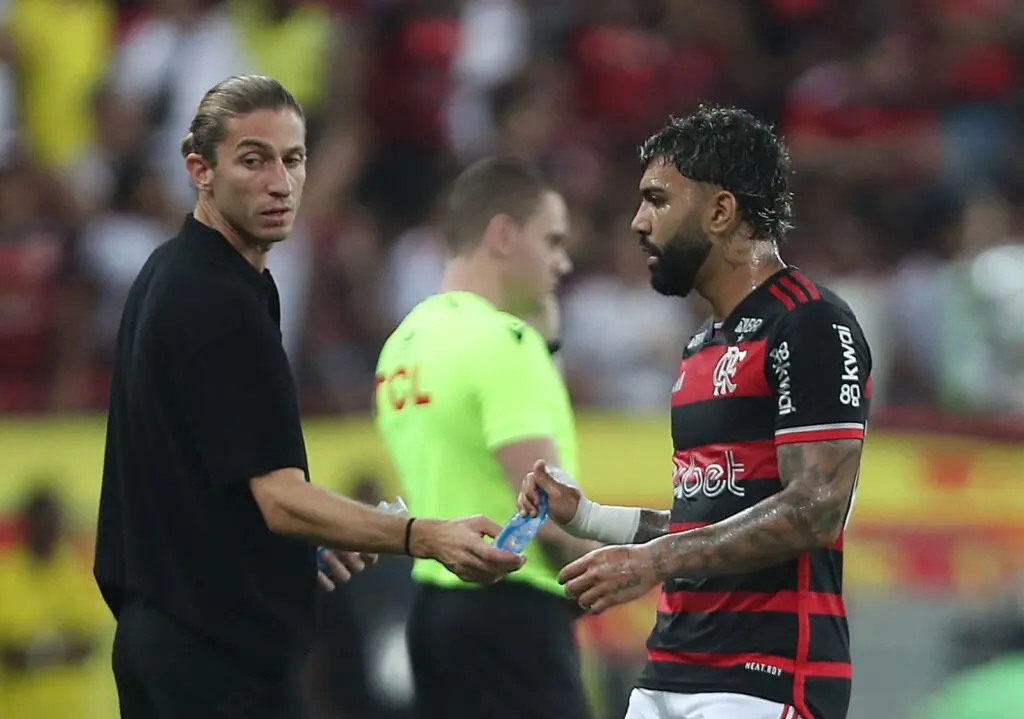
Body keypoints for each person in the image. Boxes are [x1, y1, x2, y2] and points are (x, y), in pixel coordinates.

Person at [92, 75, 525, 719]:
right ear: (199, 170)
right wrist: (424, 536)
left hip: (173, 638)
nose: (279, 182)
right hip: (210, 658)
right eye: (252, 159)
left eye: (292, 160)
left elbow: (213, 491)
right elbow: (279, 499)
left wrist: (285, 559)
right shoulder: (218, 301)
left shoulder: (175, 273)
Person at [518, 105, 872, 719]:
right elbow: (704, 522)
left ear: (719, 210)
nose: (637, 221)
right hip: (670, 670)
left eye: (657, 198)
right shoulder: (700, 346)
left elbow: (815, 509)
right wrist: (591, 517)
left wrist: (651, 563)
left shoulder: (811, 323)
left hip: (766, 676)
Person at [374, 156, 600, 719]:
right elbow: (544, 517)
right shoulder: (503, 342)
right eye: (551, 241)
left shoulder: (403, 344)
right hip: (515, 620)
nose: (562, 262)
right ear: (503, 235)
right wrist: (634, 562)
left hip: (431, 611)